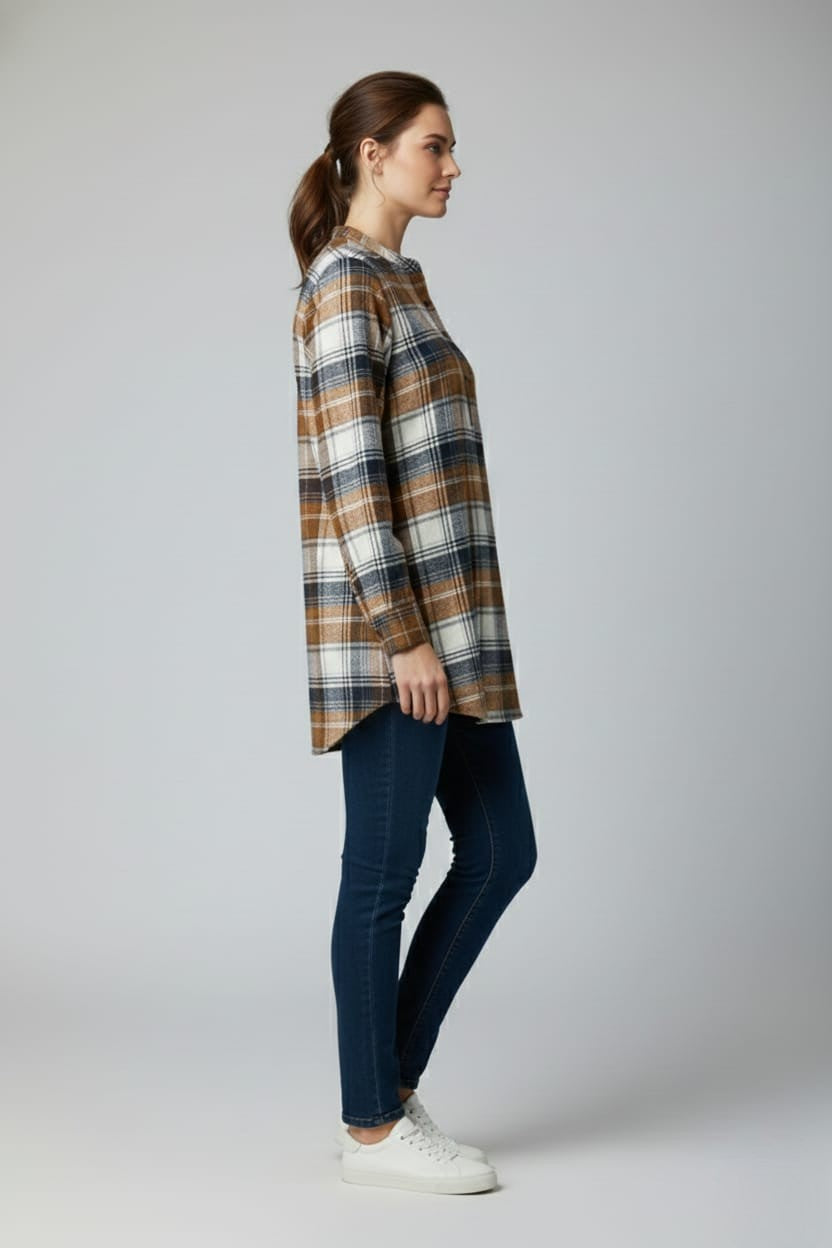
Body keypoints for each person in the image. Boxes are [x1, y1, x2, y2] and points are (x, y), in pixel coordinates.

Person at [289, 71, 537, 1195]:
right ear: (371, 153)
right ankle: (374, 1127)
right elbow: (355, 479)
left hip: (453, 632)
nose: (452, 166)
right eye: (433, 145)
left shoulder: (403, 280)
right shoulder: (345, 282)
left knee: (501, 851)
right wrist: (402, 636)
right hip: (397, 642)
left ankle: (383, 1090)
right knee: (382, 875)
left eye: (449, 146)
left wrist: (439, 634)